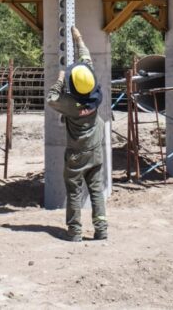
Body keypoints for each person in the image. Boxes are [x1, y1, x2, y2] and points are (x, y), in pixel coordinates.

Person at [46, 26, 107, 243]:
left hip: (76, 153)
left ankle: (75, 232)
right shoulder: (94, 93)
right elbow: (86, 57)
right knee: (96, 190)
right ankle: (101, 230)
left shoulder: (70, 104)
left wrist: (61, 79)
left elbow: (51, 98)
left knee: (74, 190)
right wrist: (79, 38)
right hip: (95, 147)